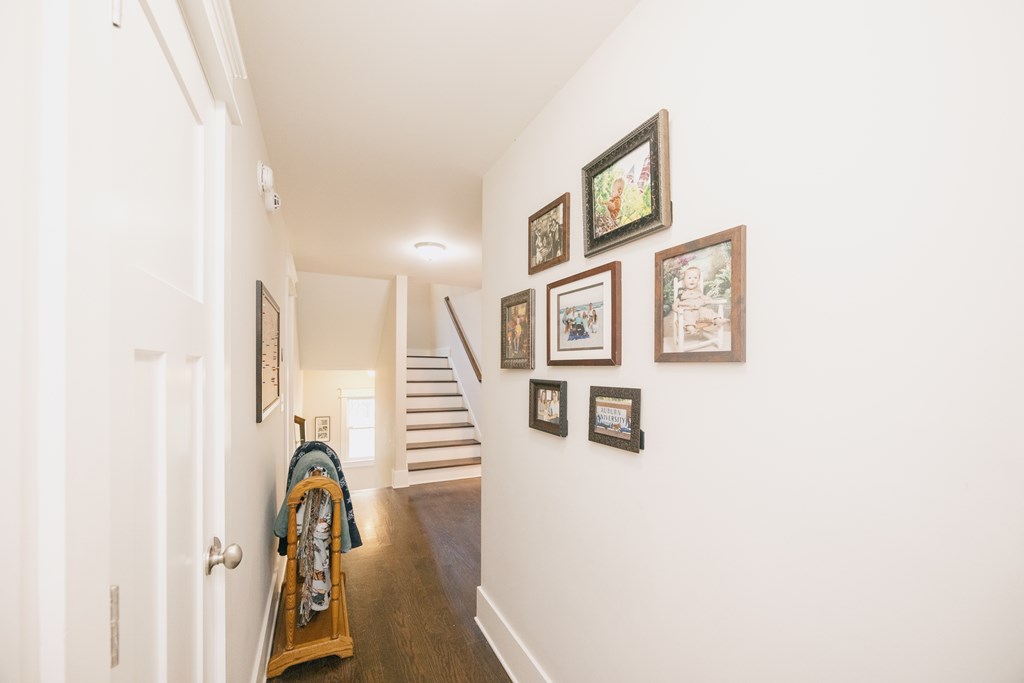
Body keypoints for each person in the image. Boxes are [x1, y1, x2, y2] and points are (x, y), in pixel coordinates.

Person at [673, 266, 725, 335]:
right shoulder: (681, 291)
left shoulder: (698, 291)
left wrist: (708, 299)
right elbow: (675, 303)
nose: (692, 280)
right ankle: (691, 329)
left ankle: (717, 320)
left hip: (699, 311)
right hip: (688, 311)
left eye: (695, 278)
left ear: (698, 280)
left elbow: (704, 297)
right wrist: (677, 309)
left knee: (707, 311)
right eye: (689, 278)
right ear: (684, 280)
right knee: (687, 316)